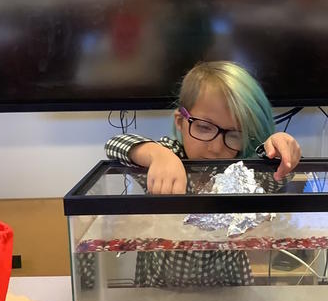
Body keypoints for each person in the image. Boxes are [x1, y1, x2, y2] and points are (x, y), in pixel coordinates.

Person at [105, 61, 301, 287]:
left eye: (235, 134)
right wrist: (156, 154)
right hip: (159, 289)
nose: (217, 148)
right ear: (181, 121)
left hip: (228, 290)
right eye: (204, 127)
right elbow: (114, 144)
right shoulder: (170, 159)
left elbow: (282, 172)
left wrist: (282, 146)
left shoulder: (242, 171)